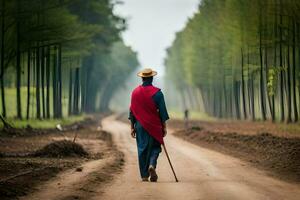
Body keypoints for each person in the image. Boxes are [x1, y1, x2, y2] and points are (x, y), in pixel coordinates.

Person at [129, 68, 169, 182]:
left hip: (140, 126)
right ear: (151, 78)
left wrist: (132, 127)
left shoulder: (135, 92)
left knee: (142, 149)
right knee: (155, 147)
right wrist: (164, 126)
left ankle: (144, 175)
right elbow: (162, 112)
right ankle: (152, 164)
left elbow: (132, 111)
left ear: (142, 78)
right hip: (154, 126)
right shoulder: (158, 93)